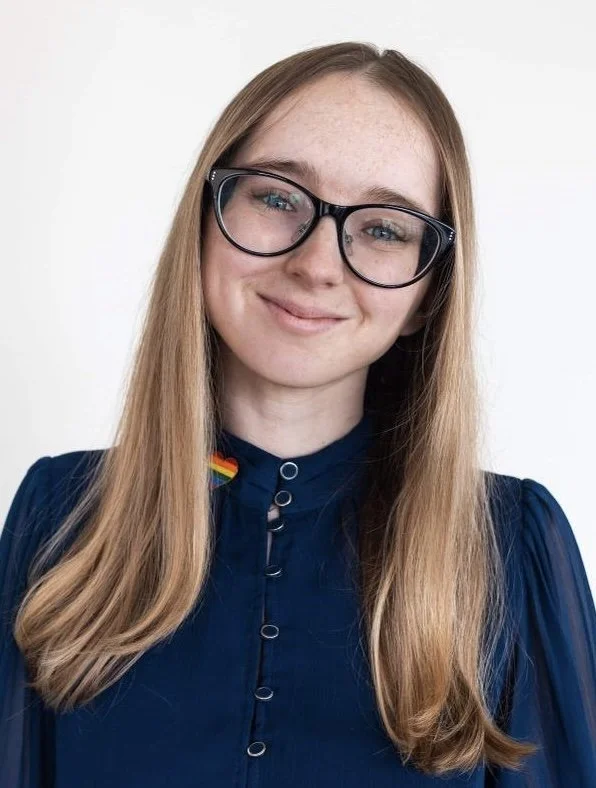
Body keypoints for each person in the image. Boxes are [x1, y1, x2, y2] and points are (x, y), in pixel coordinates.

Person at [1, 41, 595, 788]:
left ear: (424, 299)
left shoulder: (514, 546)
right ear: (206, 220)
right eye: (279, 196)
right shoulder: (58, 519)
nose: (316, 263)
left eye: (384, 228)